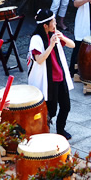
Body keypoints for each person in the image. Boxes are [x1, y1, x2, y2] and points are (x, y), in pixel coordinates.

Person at [27, 9, 75, 140]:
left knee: (66, 106)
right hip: (48, 80)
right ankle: (44, 130)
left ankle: (60, 130)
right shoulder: (36, 39)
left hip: (60, 76)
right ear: (45, 25)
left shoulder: (55, 33)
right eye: (53, 21)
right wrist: (51, 45)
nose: (55, 23)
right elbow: (39, 59)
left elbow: (72, 45)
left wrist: (62, 37)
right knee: (51, 110)